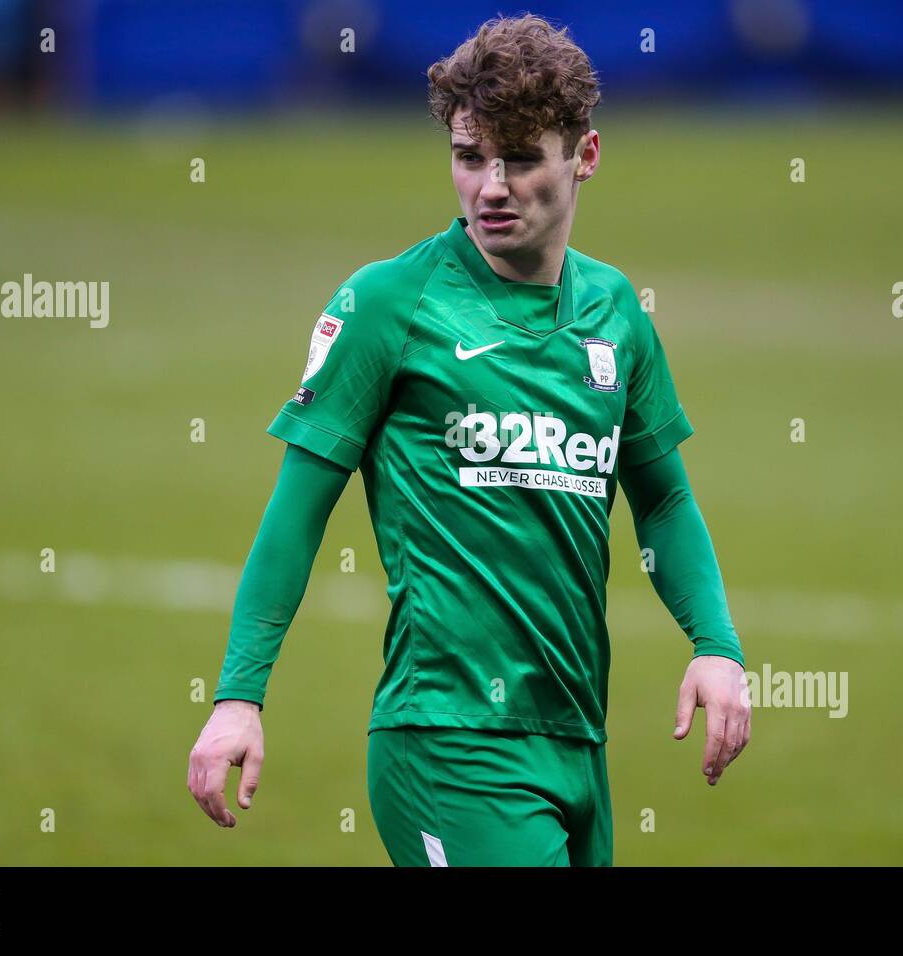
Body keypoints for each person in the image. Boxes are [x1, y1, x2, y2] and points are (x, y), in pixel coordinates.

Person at [187, 14, 749, 866]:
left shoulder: (616, 313)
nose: (491, 186)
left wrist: (715, 646)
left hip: (576, 741)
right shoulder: (388, 304)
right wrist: (239, 696)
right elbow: (296, 512)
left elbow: (663, 497)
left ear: (584, 157)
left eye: (520, 159)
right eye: (469, 157)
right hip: (446, 741)